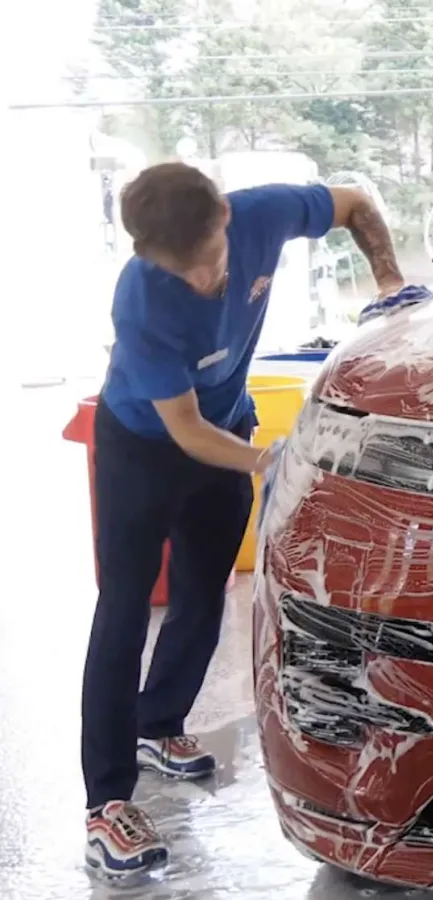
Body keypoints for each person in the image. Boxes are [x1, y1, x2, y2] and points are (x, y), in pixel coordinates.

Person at [81, 161, 409, 879]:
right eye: (181, 272)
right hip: (145, 445)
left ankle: (159, 724)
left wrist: (389, 280)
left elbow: (355, 201)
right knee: (125, 611)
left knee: (206, 595)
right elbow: (186, 431)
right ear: (144, 254)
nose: (200, 283)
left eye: (206, 263)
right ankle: (106, 804)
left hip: (225, 423)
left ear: (225, 221)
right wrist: (268, 462)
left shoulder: (262, 212)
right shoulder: (142, 300)